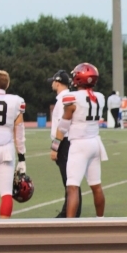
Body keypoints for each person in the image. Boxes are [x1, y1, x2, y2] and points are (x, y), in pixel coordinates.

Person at [50, 62, 107, 218]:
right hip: (95, 143)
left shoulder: (72, 98)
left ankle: (69, 226)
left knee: (72, 186)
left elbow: (63, 126)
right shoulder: (100, 98)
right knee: (96, 186)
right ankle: (100, 221)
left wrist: (55, 146)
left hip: (79, 144)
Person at [0, 70, 26, 218]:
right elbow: (19, 131)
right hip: (6, 151)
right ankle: (4, 227)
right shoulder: (16, 101)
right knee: (6, 193)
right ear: (7, 85)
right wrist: (22, 157)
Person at [48, 69, 81, 218]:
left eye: (53, 81)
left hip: (64, 142)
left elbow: (63, 126)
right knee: (70, 179)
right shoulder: (66, 98)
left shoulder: (64, 99)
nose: (52, 84)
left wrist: (55, 146)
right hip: (67, 141)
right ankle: (70, 211)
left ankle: (69, 213)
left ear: (58, 82)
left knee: (69, 180)